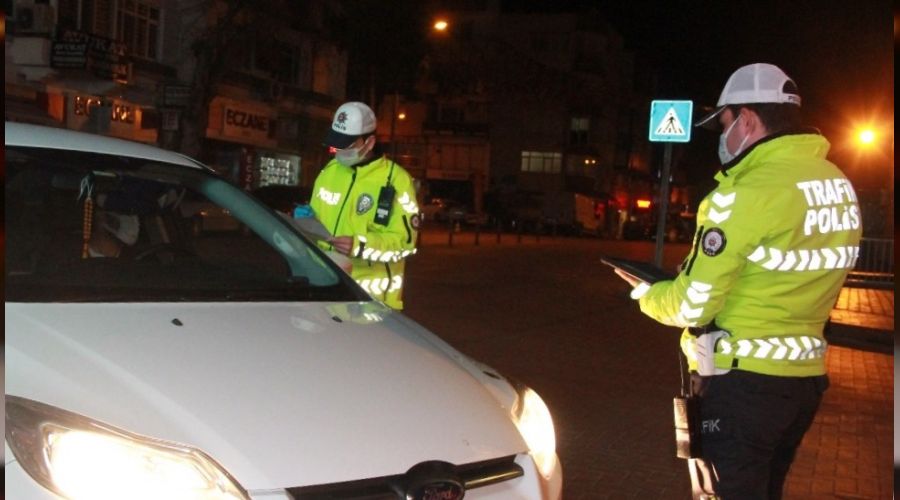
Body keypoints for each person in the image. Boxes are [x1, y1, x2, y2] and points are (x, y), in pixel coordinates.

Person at [616, 63, 863, 499]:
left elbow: (692, 307)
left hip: (742, 388)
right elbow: (784, 268)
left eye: (724, 123)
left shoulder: (741, 194)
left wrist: (647, 294)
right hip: (802, 385)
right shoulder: (836, 184)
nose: (722, 137)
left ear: (747, 119)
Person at [310, 101, 420, 310]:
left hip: (371, 302)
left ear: (369, 143)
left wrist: (359, 246)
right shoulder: (330, 171)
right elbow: (316, 216)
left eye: (347, 145)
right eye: (337, 144)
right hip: (326, 290)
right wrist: (303, 220)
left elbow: (405, 243)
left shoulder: (396, 181)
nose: (339, 151)